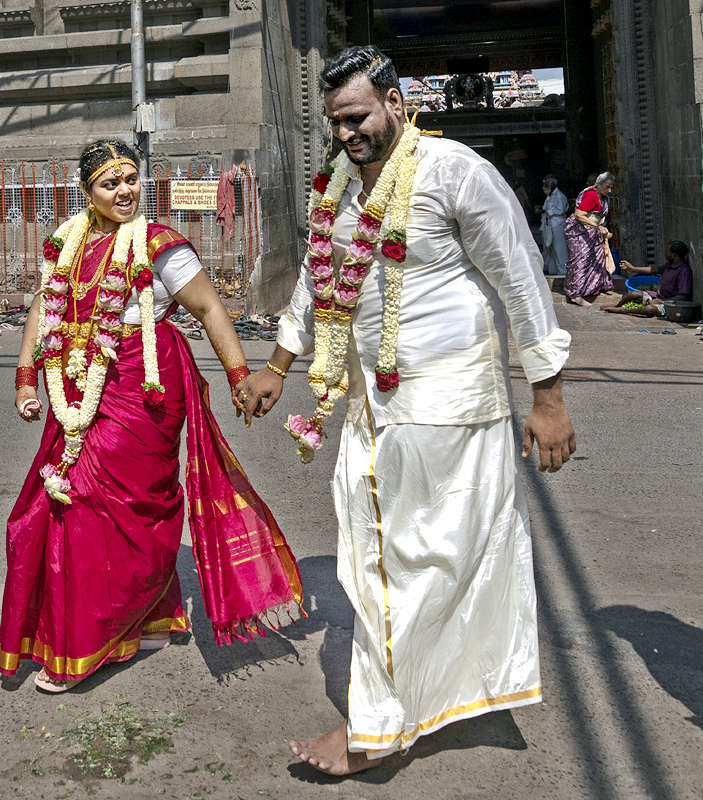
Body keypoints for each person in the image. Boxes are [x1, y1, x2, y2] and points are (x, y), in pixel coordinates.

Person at [233, 46, 576, 776]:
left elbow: (520, 276)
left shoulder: (454, 172)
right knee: (415, 561)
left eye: (356, 117)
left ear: (394, 100)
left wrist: (547, 396)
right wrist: (276, 364)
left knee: (404, 565)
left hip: (450, 406)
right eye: (334, 123)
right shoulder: (345, 193)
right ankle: (435, 697)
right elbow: (318, 285)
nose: (346, 133)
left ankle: (376, 729)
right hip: (372, 406)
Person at [0, 140, 303, 693]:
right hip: (77, 386)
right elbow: (45, 309)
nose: (124, 192)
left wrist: (238, 375)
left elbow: (210, 306)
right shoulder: (69, 241)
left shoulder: (160, 245)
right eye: (108, 184)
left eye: (131, 180)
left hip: (146, 389)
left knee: (105, 507)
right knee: (67, 507)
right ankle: (148, 618)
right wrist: (26, 376)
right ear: (87, 194)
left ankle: (88, 644)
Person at [563, 172, 616, 306]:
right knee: (582, 260)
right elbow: (579, 215)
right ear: (599, 184)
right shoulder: (591, 195)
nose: (609, 191)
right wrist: (598, 227)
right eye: (607, 187)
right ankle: (575, 294)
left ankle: (597, 287)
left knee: (598, 259)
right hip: (580, 232)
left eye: (611, 187)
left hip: (594, 232)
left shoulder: (602, 197)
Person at [608, 241, 694, 317]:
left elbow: (683, 297)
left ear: (674, 255)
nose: (665, 254)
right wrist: (633, 269)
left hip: (669, 303)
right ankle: (616, 306)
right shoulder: (669, 265)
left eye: (667, 252)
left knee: (649, 309)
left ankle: (625, 311)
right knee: (632, 294)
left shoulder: (684, 271)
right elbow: (654, 269)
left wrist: (661, 301)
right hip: (658, 296)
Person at [539, 175, 569, 275]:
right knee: (549, 248)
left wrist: (545, 211)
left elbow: (560, 210)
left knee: (559, 248)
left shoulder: (559, 196)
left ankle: (563, 272)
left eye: (546, 185)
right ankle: (553, 270)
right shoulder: (549, 196)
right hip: (549, 224)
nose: (543, 187)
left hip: (557, 224)